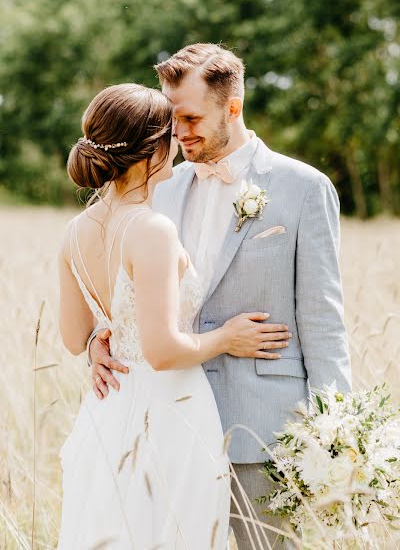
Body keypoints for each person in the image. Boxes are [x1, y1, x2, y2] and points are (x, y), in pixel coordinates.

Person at [89, 45, 352, 548]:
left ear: (232, 107)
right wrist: (100, 341)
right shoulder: (158, 188)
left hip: (265, 430)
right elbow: (131, 289)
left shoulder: (303, 188)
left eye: (190, 117)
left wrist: (332, 430)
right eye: (170, 119)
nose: (177, 133)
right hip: (170, 422)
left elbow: (323, 321)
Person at [57, 82, 290, 549]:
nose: (179, 142)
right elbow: (162, 351)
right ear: (152, 150)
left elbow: (73, 336)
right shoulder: (152, 229)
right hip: (169, 412)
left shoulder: (74, 230)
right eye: (170, 133)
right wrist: (226, 337)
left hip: (109, 409)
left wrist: (101, 341)